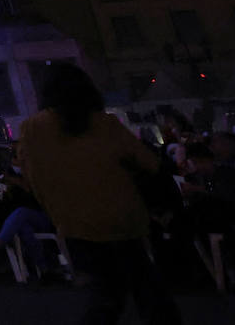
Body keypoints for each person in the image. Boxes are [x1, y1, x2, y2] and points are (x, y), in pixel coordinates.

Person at [19, 64, 180, 324]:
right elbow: (150, 164)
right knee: (145, 289)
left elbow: (33, 178)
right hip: (122, 219)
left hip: (74, 224)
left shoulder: (31, 130)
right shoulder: (104, 124)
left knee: (106, 294)